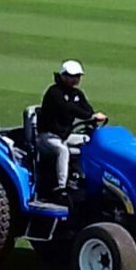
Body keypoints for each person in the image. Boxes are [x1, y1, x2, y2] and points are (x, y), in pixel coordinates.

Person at [37, 60, 107, 198]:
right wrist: (90, 115)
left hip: (65, 135)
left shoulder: (77, 94)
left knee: (89, 140)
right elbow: (68, 109)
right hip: (48, 137)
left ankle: (83, 177)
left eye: (77, 76)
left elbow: (86, 109)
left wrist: (92, 117)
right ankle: (61, 187)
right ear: (63, 76)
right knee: (62, 150)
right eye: (71, 76)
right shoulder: (54, 93)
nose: (75, 79)